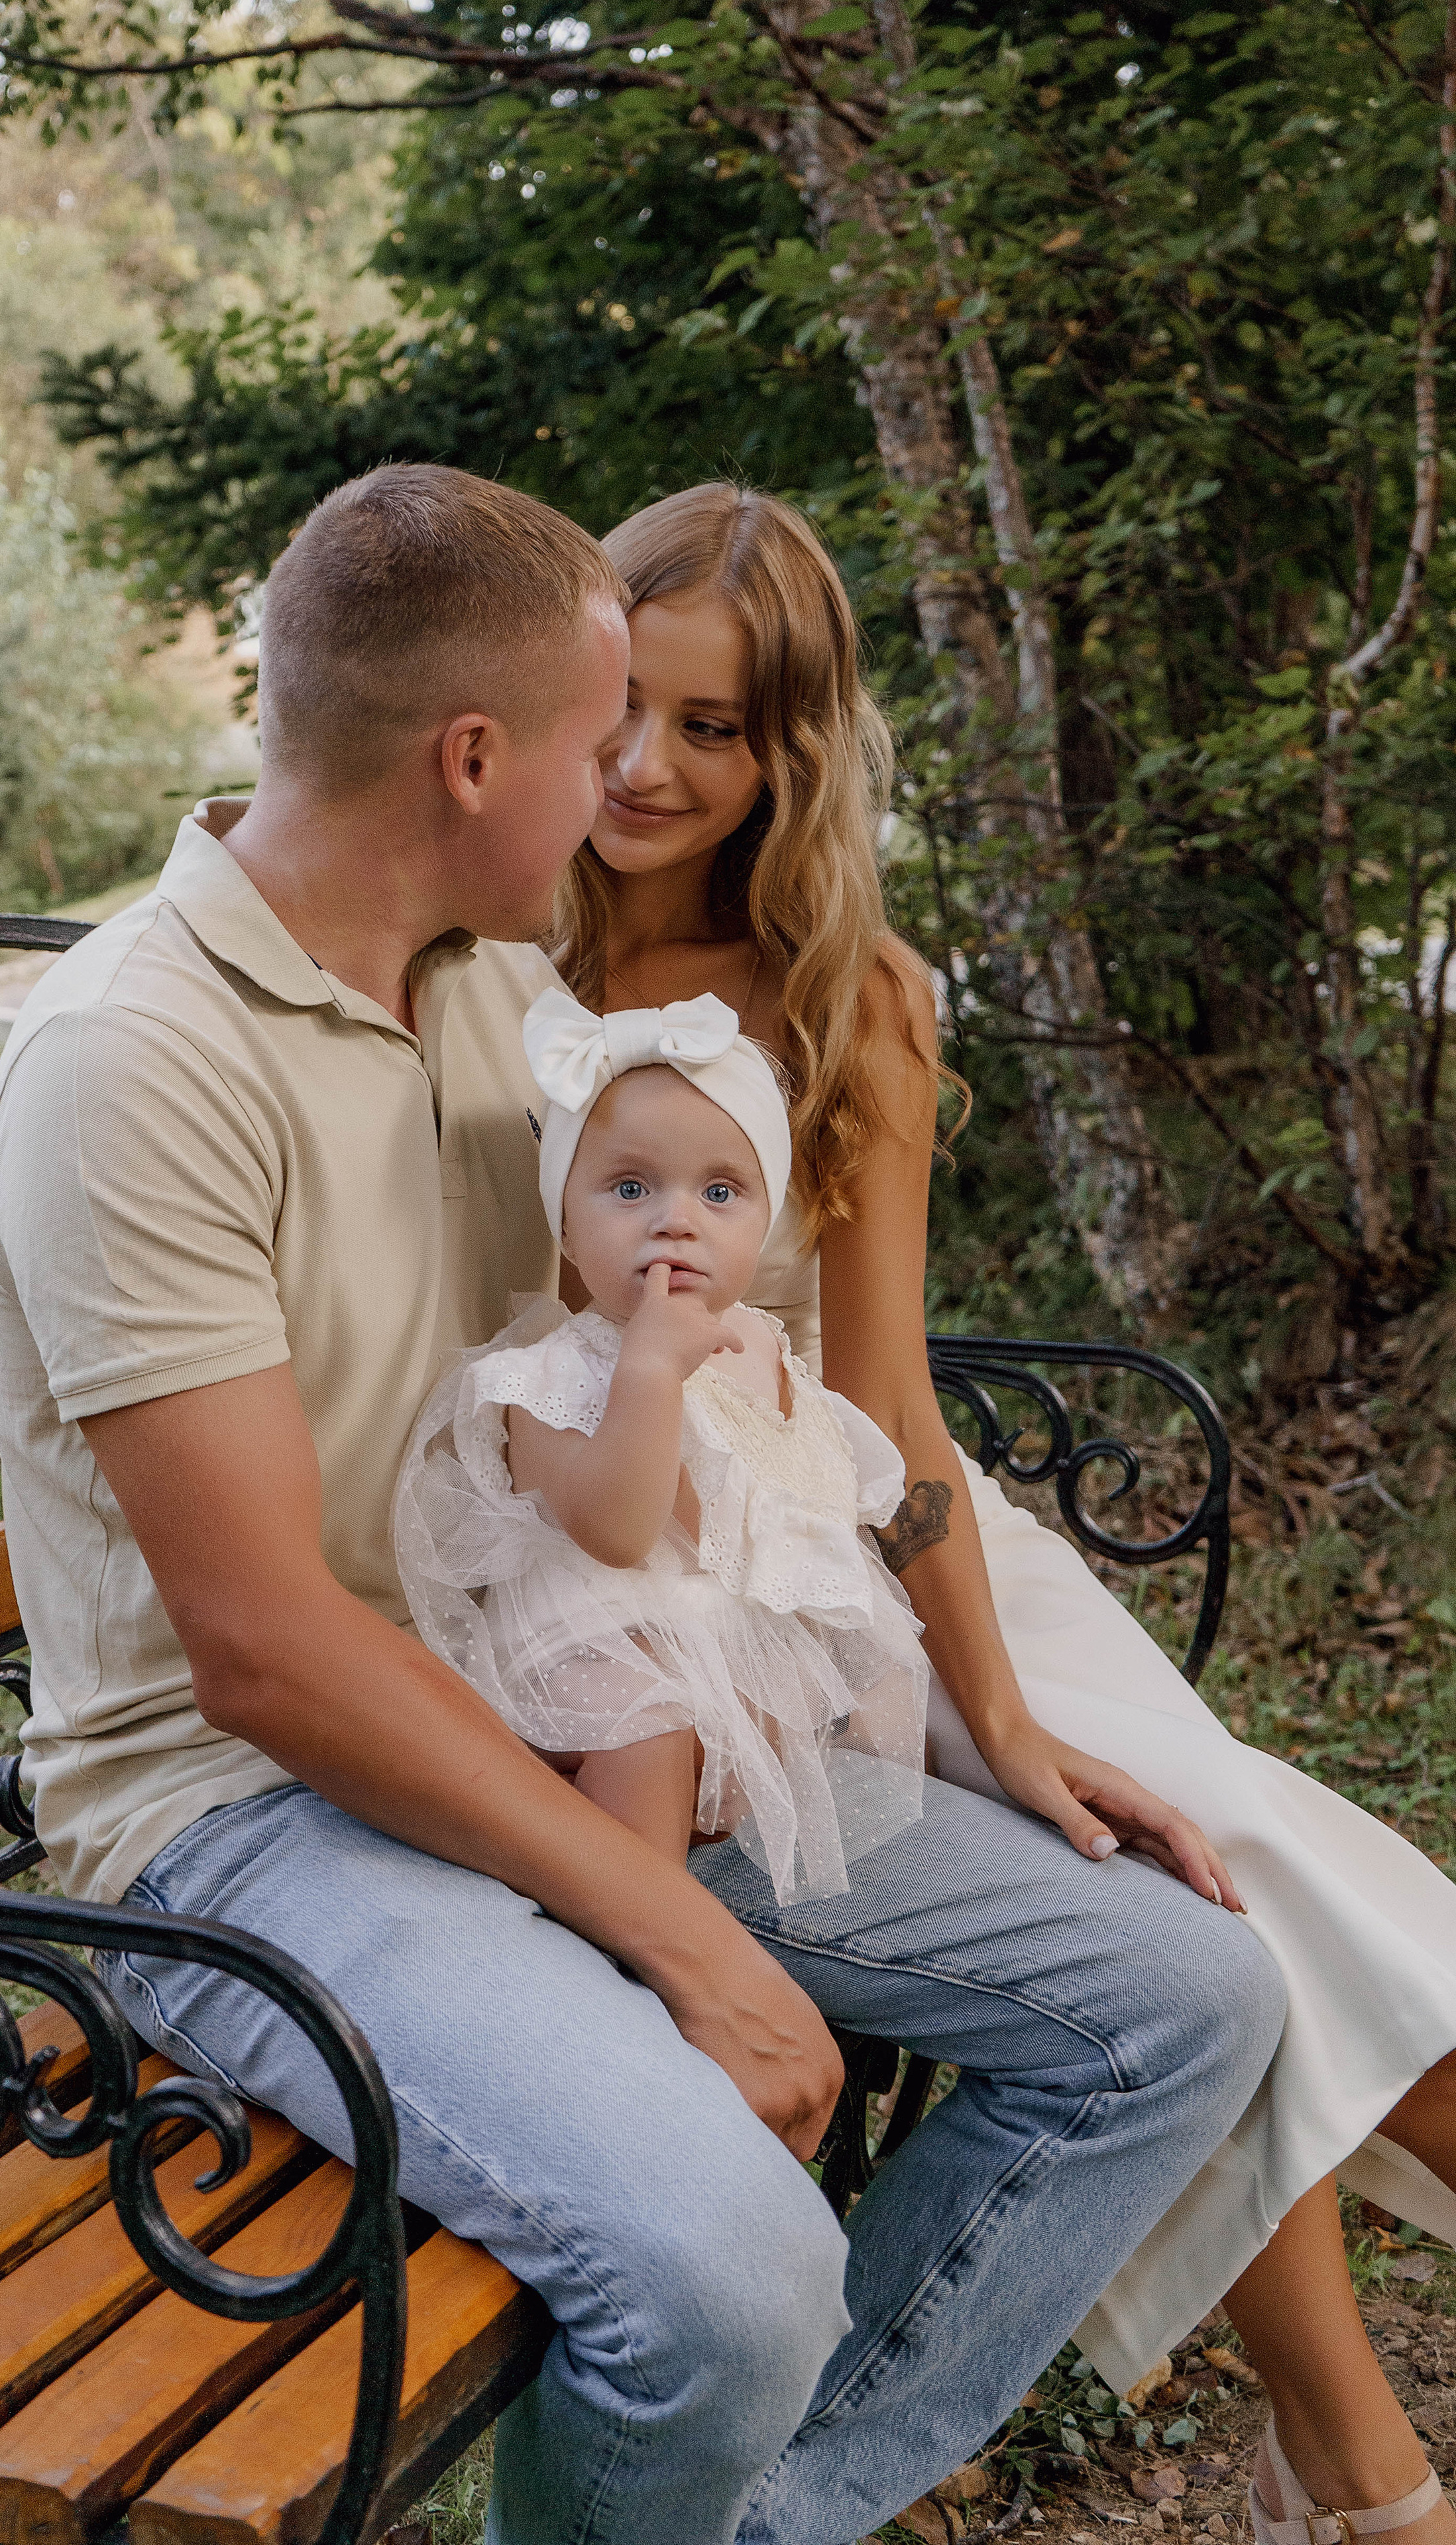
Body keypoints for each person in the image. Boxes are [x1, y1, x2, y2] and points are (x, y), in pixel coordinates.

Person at [0, 461, 1285, 2545]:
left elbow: (707, 1319)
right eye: (598, 745)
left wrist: (977, 1719)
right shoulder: (141, 1061)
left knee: (1177, 2001)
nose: (620, 797)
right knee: (732, 2278)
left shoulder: (494, 997)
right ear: (473, 757)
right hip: (250, 1821)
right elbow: (268, 1651)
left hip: (552, 1708)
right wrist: (685, 1936)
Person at [559, 476, 1456, 2545]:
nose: (647, 768)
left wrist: (1008, 1718)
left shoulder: (848, 993)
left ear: (791, 755)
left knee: (1225, 1860)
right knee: (1250, 1906)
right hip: (652, 1579)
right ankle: (1356, 2469)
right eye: (629, 706)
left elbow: (888, 1415)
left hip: (874, 1549)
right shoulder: (484, 948)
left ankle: (1347, 2460)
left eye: (715, 730)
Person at [395, 987, 928, 1901]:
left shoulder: (762, 1344)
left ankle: (729, 1868)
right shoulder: (557, 1374)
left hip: (723, 1639)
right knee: (645, 1731)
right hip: (604, 1648)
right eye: (630, 1188)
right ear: (566, 1220)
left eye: (720, 1191)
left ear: (765, 1223)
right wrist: (647, 1372)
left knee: (829, 1721)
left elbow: (793, 1494)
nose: (674, 1220)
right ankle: (637, 1926)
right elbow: (616, 1529)